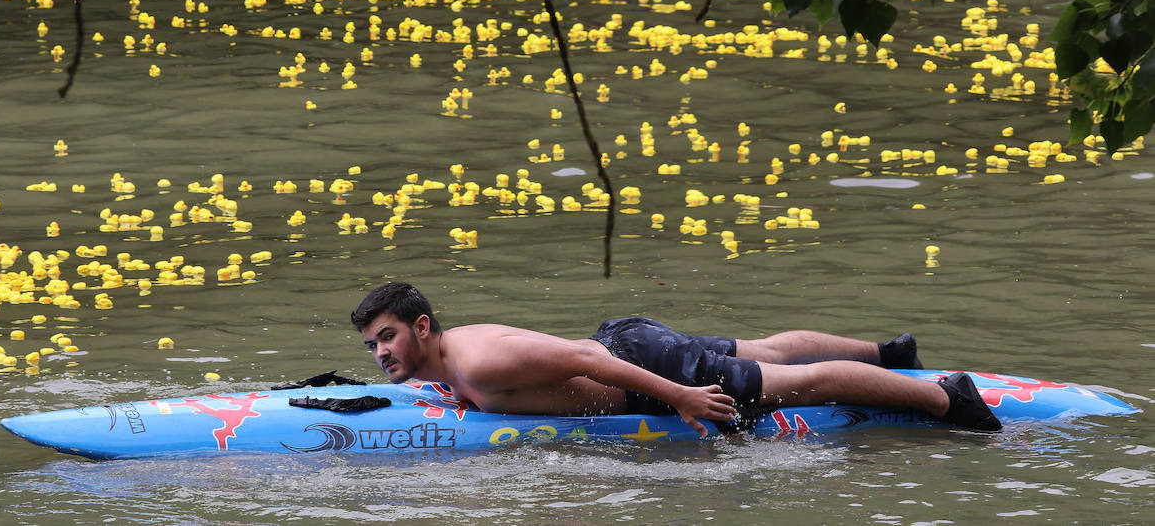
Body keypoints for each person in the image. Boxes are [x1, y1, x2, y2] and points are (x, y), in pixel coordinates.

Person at [351, 282, 1002, 434]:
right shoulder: (453, 362)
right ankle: (892, 354)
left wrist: (683, 396)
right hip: (637, 347)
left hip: (642, 367)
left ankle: (948, 397)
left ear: (423, 325)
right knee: (768, 350)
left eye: (387, 337)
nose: (381, 352)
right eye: (373, 345)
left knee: (793, 385)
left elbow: (587, 357)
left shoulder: (481, 360)